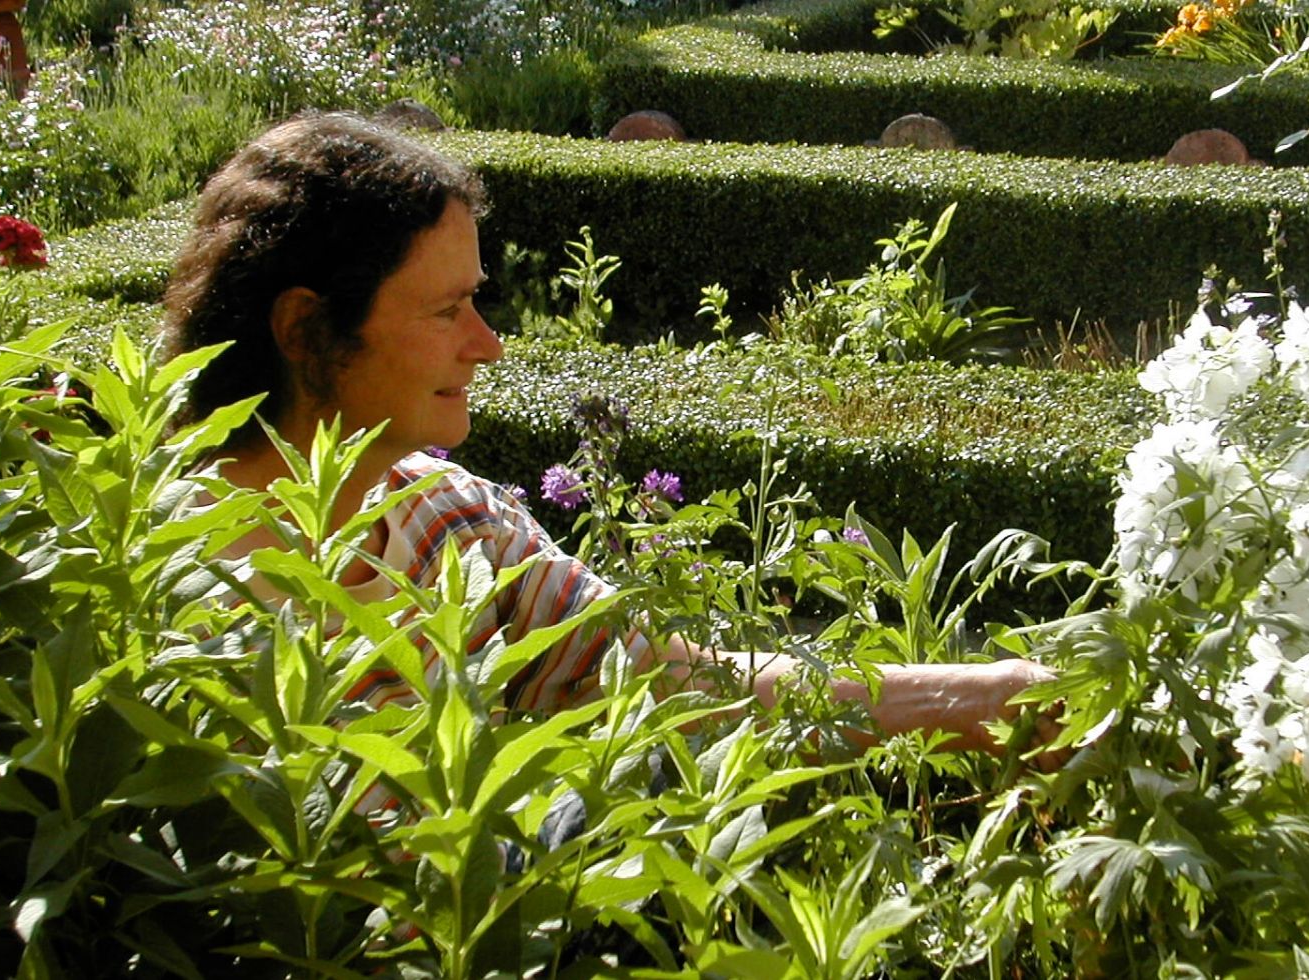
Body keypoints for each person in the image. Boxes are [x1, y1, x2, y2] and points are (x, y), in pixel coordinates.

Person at [162, 110, 1058, 764]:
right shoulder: (151, 583)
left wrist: (998, 694)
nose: (488, 344)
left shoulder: (451, 527)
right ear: (307, 329)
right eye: (447, 309)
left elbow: (688, 686)